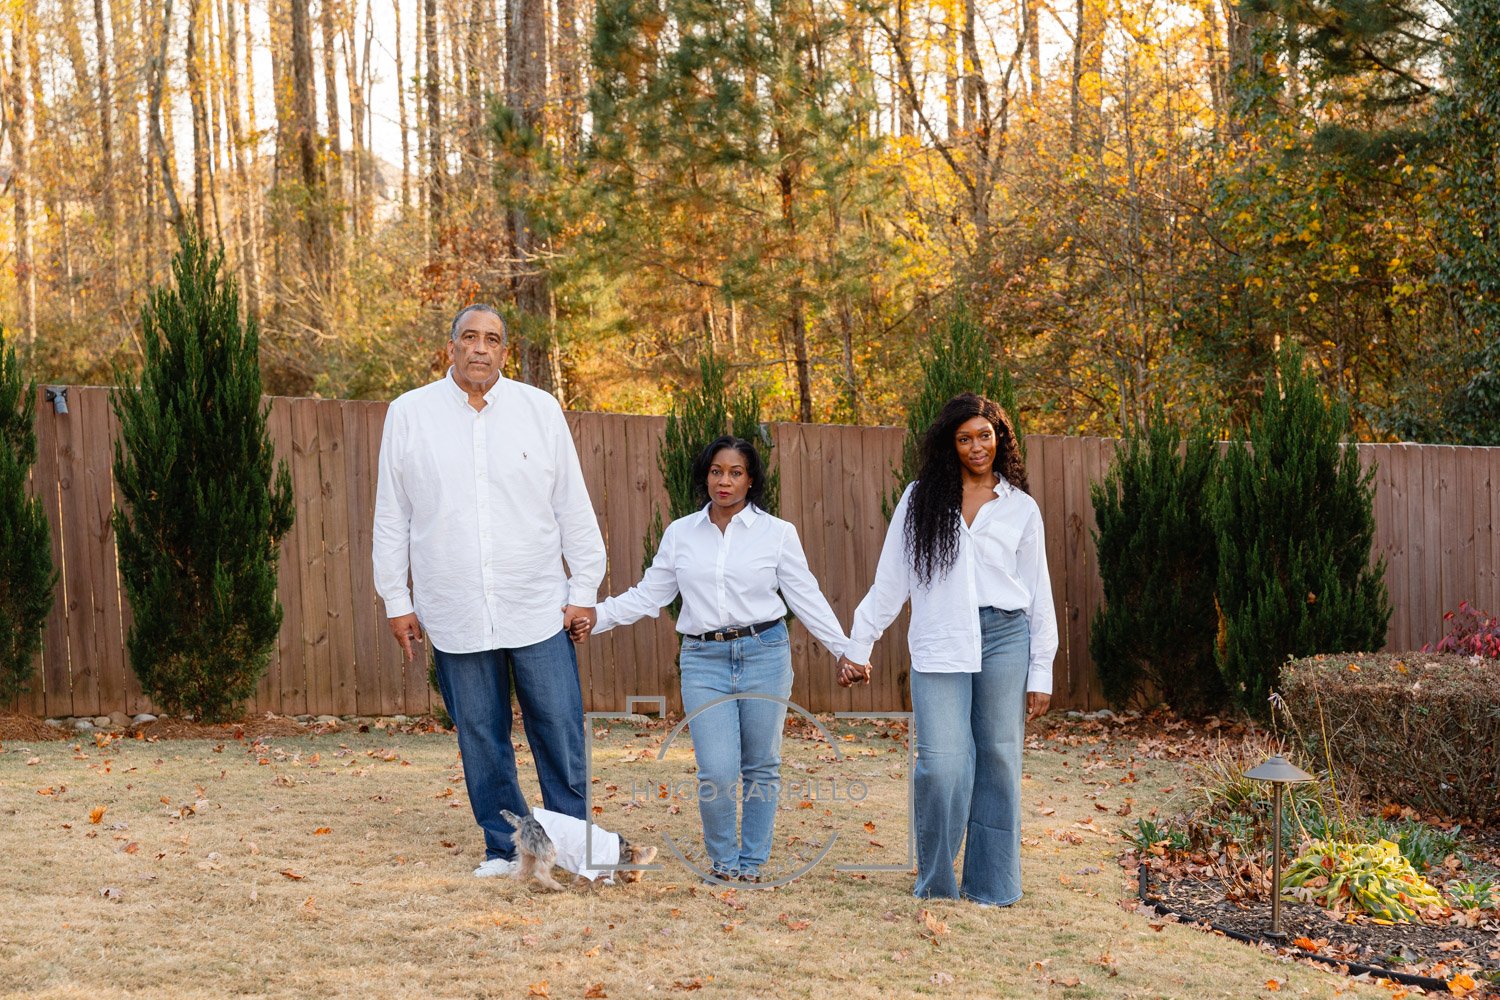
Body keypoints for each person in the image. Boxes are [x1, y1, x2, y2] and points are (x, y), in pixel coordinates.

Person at [372, 304, 606, 878]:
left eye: (493, 339)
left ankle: (571, 851)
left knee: (558, 731)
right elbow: (391, 515)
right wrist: (395, 600)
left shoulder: (540, 410)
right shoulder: (409, 414)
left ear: (506, 351)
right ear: (450, 346)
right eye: (469, 337)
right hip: (453, 607)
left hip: (537, 605)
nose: (481, 347)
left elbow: (571, 505)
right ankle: (507, 848)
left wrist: (585, 587)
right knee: (482, 736)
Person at [571, 435, 848, 882]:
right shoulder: (681, 533)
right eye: (717, 471)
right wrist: (595, 617)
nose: (724, 480)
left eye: (735, 472)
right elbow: (650, 594)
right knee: (717, 769)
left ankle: (752, 864)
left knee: (761, 765)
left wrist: (845, 650)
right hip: (703, 659)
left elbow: (807, 597)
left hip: (764, 653)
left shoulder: (777, 533)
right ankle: (723, 862)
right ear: (706, 476)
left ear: (751, 479)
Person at [837, 393, 1057, 906]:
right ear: (949, 444)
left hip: (1005, 636)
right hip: (941, 639)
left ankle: (993, 885)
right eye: (965, 437)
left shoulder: (1021, 507)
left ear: (1000, 437)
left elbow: (1038, 590)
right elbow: (891, 580)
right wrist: (859, 644)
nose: (976, 446)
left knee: (1000, 759)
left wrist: (1040, 670)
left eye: (985, 434)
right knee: (941, 763)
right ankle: (936, 883)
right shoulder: (921, 499)